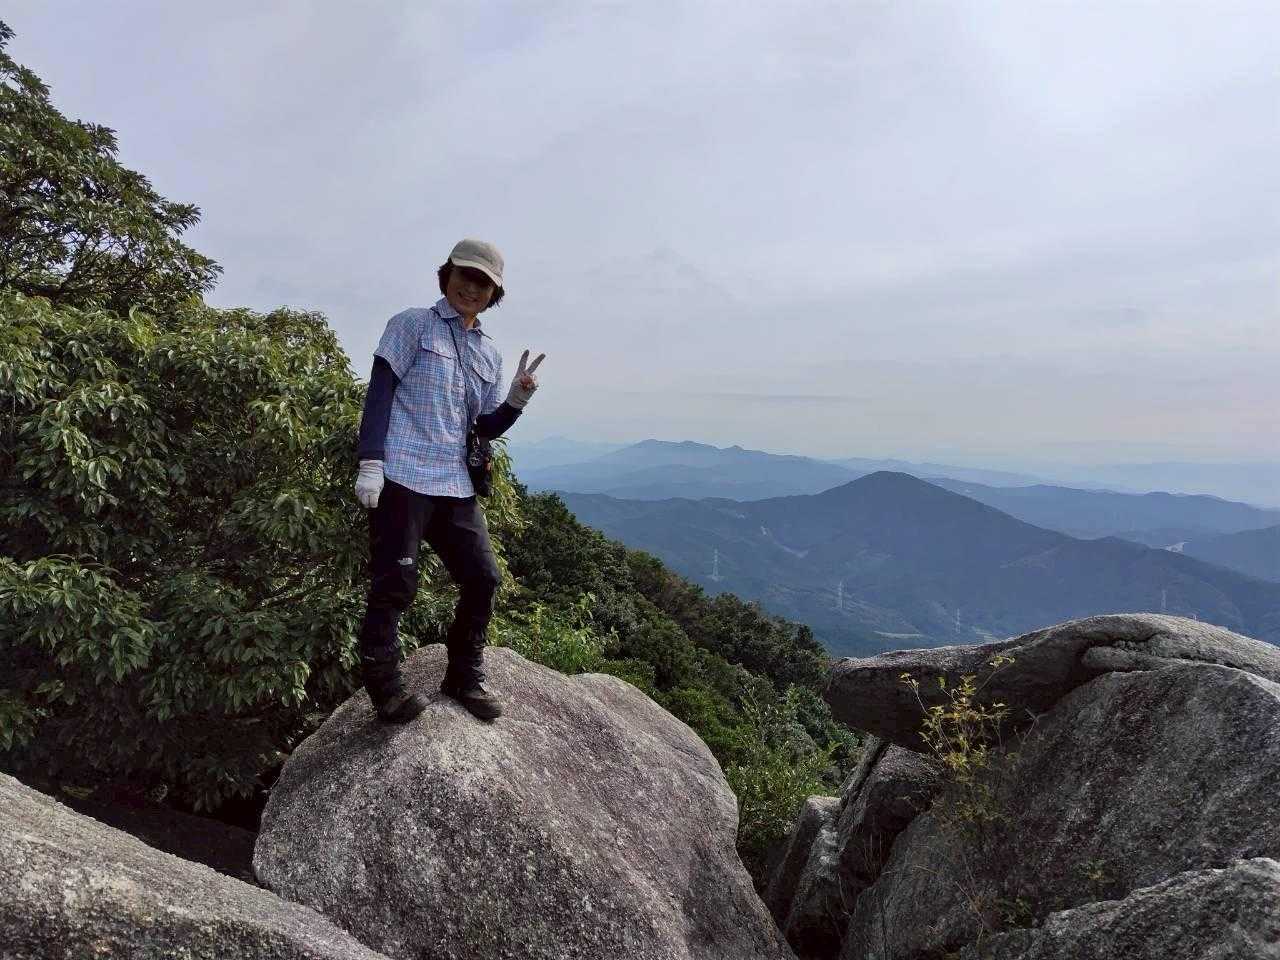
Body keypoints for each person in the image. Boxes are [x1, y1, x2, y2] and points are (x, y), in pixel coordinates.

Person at [352, 238, 544, 723]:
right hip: (403, 474)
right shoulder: (411, 324)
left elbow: (484, 427)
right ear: (447, 275)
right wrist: (370, 461)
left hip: (455, 482)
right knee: (395, 582)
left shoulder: (488, 353)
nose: (471, 288)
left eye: (484, 283)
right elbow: (380, 394)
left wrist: (517, 400)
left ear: (494, 293)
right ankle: (385, 687)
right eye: (465, 276)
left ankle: (463, 674)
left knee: (483, 578)